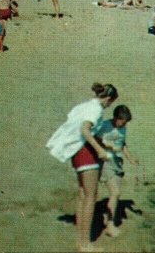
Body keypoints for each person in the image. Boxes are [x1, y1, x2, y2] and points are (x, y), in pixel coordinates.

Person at [46, 83, 119, 252]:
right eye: (110, 103)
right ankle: (85, 243)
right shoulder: (96, 110)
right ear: (108, 99)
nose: (109, 106)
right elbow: (85, 130)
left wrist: (102, 144)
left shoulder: (85, 105)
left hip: (78, 153)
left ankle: (81, 240)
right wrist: (100, 150)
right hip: (86, 153)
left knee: (82, 195)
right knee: (90, 197)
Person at [95, 105, 139, 238]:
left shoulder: (123, 128)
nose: (124, 124)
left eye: (125, 122)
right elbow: (95, 140)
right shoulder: (105, 126)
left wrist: (130, 158)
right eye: (123, 121)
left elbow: (122, 143)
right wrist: (106, 145)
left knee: (116, 195)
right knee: (115, 192)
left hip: (117, 162)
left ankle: (108, 218)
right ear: (116, 118)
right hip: (106, 161)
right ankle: (110, 225)